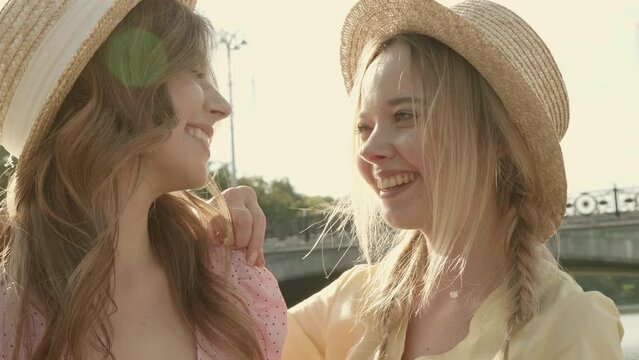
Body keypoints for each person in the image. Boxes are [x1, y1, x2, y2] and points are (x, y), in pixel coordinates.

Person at [282, 0, 624, 359]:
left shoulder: (570, 327)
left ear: (497, 138)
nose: (369, 149)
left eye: (404, 115)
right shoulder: (350, 303)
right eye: (363, 127)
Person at [0, 0, 285, 359]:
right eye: (196, 74)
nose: (222, 105)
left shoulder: (232, 283)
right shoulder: (9, 314)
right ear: (124, 84)